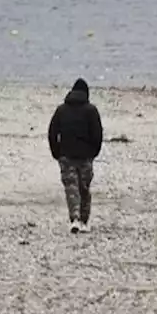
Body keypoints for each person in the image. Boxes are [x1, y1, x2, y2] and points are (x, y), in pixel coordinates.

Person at [48, 78, 103, 234]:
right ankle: (84, 221)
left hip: (66, 155)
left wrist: (56, 152)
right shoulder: (91, 111)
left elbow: (52, 132)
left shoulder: (61, 110)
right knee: (84, 188)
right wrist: (93, 153)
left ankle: (75, 219)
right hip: (85, 157)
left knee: (71, 188)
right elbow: (97, 134)